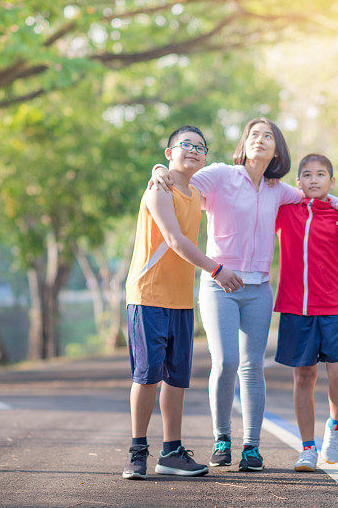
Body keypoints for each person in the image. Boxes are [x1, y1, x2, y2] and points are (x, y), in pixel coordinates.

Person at [149, 118, 338, 472]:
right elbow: (180, 176)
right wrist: (158, 168)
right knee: (226, 361)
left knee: (252, 367)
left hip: (259, 288)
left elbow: (313, 194)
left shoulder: (279, 190)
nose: (261, 140)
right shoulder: (220, 175)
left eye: (268, 136)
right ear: (243, 144)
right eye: (254, 135)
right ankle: (222, 438)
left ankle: (252, 448)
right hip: (219, 284)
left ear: (277, 149)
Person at [122, 126, 244, 480]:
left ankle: (172, 452)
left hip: (180, 301)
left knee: (176, 378)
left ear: (205, 158)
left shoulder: (194, 194)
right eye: (185, 145)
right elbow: (174, 240)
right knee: (147, 376)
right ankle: (137, 450)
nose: (193, 150)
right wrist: (217, 269)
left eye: (200, 147)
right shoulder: (158, 190)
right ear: (168, 152)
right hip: (148, 296)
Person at [273, 153, 338, 472]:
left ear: (332, 180)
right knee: (304, 375)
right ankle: (306, 448)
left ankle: (336, 425)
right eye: (307, 174)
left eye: (320, 174)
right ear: (298, 181)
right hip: (294, 306)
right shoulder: (286, 210)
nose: (313, 179)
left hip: (332, 305)